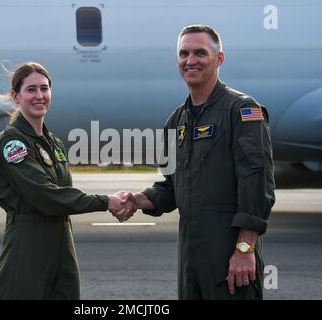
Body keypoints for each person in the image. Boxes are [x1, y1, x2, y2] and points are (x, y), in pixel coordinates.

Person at [117, 25, 275, 299]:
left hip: (230, 252)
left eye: (200, 53)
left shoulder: (243, 110)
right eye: (184, 53)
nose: (191, 61)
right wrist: (138, 199)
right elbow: (171, 187)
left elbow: (257, 181)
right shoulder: (176, 121)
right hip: (191, 254)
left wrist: (245, 249)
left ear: (219, 59)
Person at [0, 61, 135, 299]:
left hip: (62, 244)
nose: (39, 96)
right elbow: (46, 196)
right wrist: (106, 201)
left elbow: (64, 194)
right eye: (31, 89)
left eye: (44, 89)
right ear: (16, 97)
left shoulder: (54, 143)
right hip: (29, 245)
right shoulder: (13, 143)